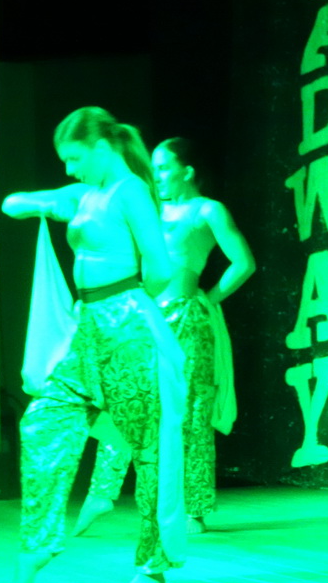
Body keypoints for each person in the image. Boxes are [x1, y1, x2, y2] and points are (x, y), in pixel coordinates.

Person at [0, 106, 186, 583]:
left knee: (148, 445)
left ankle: (154, 561)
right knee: (42, 422)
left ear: (102, 148)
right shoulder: (85, 193)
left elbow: (161, 266)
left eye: (75, 156)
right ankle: (37, 546)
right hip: (87, 327)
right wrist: (42, 202)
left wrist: (130, 305)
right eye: (65, 160)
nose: (69, 167)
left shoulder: (131, 192)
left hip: (127, 322)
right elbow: (14, 203)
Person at [73, 136, 256, 537]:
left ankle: (194, 509)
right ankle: (102, 492)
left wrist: (210, 296)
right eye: (153, 168)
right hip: (141, 316)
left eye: (163, 167)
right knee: (125, 404)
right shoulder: (147, 207)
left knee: (189, 412)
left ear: (186, 171)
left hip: (186, 319)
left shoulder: (207, 210)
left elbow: (243, 261)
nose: (156, 176)